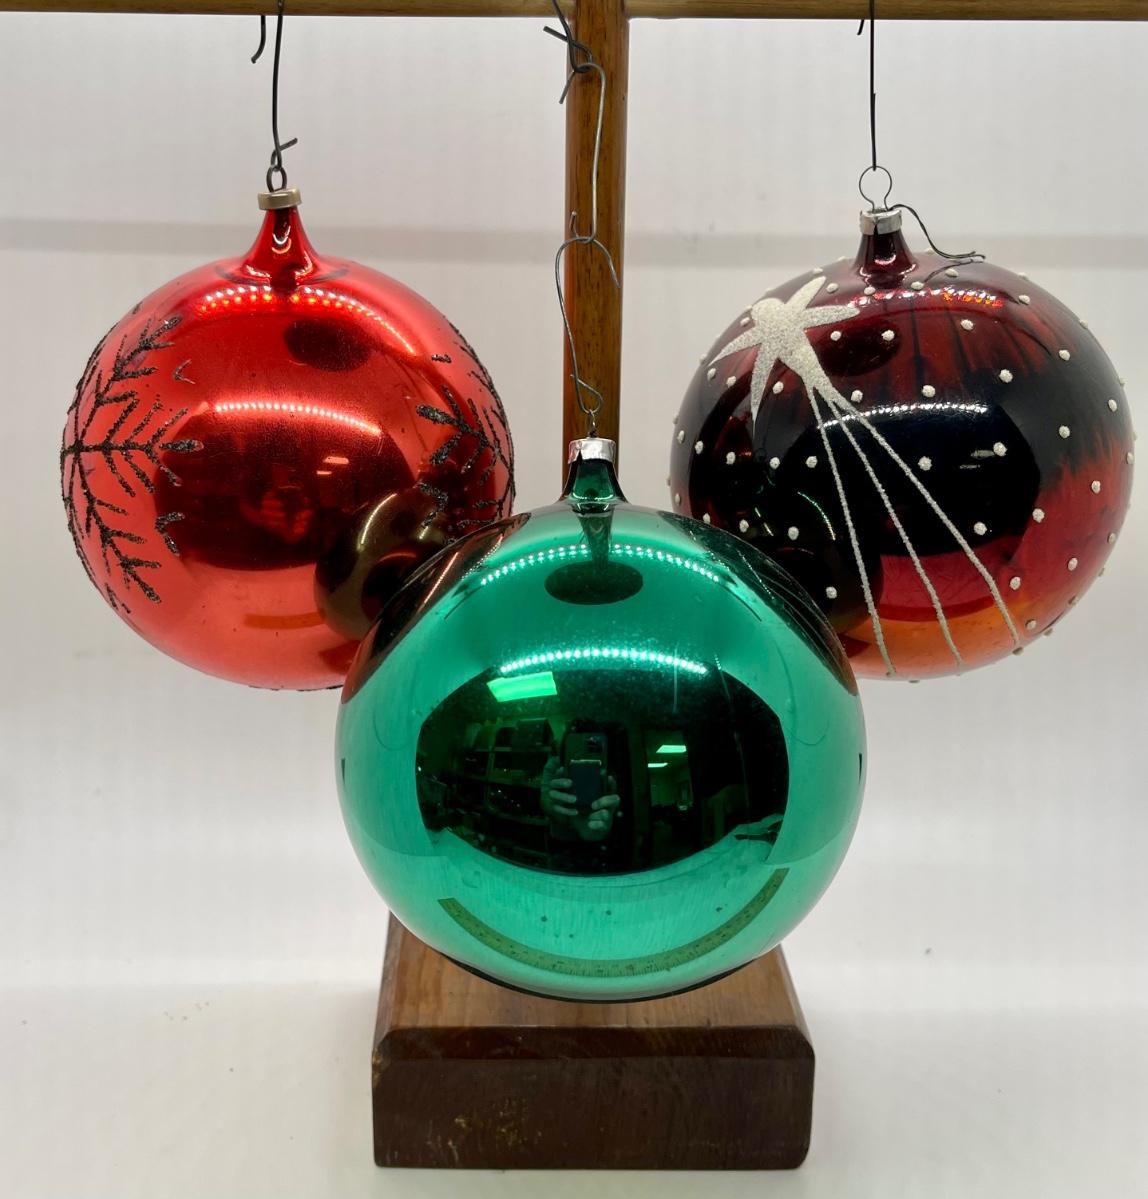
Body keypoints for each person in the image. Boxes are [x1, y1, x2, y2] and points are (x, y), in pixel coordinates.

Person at [540, 755, 621, 844]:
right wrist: (558, 811)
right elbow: (545, 803)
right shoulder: (555, 762)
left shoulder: (607, 762)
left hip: (600, 839)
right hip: (560, 839)